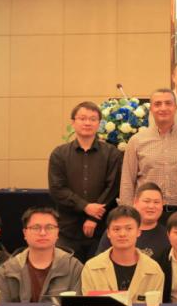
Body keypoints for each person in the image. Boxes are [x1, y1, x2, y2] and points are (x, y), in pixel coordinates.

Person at [48, 101, 122, 261]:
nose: (87, 123)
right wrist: (85, 207)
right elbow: (57, 189)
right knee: (67, 271)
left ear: (99, 124)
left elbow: (113, 188)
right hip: (68, 228)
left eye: (93, 119)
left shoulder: (112, 154)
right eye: (82, 118)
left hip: (103, 229)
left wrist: (94, 217)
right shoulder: (59, 154)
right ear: (73, 122)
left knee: (100, 273)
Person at [118, 88, 177, 214]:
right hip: (147, 212)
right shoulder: (136, 141)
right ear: (151, 109)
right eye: (157, 104)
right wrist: (128, 215)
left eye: (168, 103)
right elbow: (127, 182)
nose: (163, 108)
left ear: (176, 107)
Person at [0, 207, 83, 302]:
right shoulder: (5, 271)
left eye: (49, 227)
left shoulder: (74, 267)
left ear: (57, 232)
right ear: (25, 233)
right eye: (36, 228)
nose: (43, 233)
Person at [81, 206, 164, 302]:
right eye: (116, 229)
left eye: (129, 228)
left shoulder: (154, 270)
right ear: (108, 233)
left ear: (138, 232)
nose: (122, 234)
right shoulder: (91, 268)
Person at [96, 183, 171, 259]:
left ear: (162, 205)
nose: (151, 206)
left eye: (156, 202)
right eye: (146, 201)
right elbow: (99, 261)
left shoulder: (169, 236)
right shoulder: (117, 230)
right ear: (135, 202)